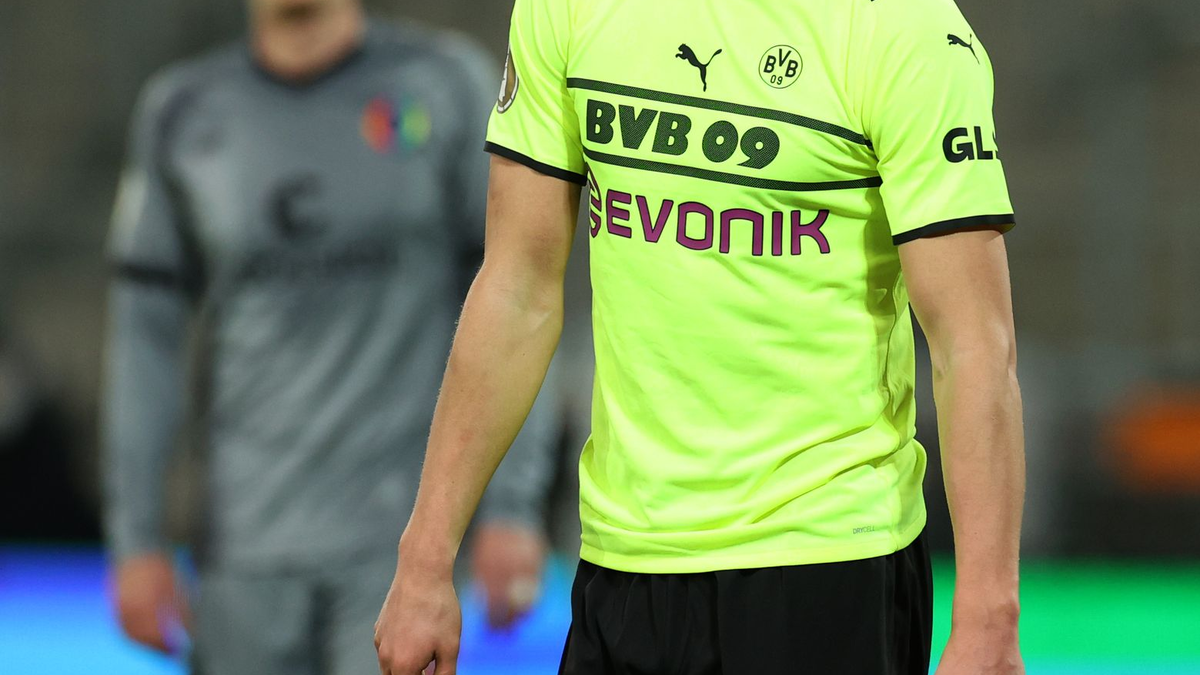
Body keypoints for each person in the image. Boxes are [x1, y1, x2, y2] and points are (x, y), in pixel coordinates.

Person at [376, 0, 1027, 673]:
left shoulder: (902, 28)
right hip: (623, 558)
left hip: (826, 555)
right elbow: (518, 290)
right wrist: (425, 559)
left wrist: (988, 619)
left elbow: (974, 345)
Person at [102, 1, 561, 673]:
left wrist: (512, 506)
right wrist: (136, 537)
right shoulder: (183, 111)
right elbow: (146, 337)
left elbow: (518, 300)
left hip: (397, 550)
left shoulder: (444, 87)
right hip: (241, 558)